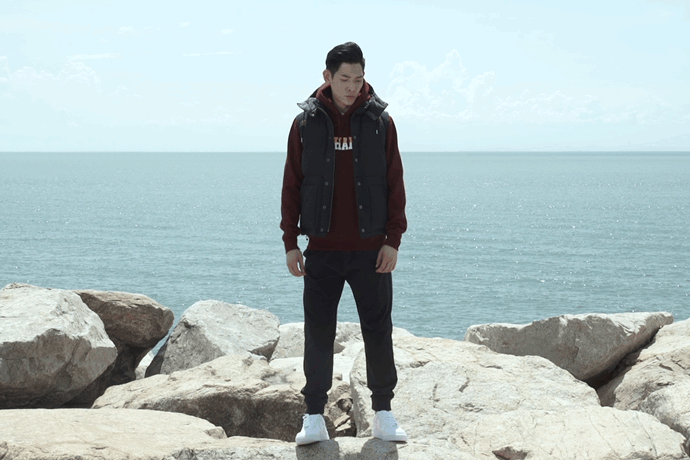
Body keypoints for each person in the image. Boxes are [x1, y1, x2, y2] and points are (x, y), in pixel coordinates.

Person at [280, 42, 408, 445]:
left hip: (372, 251)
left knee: (378, 330)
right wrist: (290, 241)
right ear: (328, 77)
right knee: (318, 333)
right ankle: (314, 417)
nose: (353, 87)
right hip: (321, 250)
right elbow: (292, 182)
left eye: (359, 78)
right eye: (345, 79)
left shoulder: (380, 122)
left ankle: (383, 413)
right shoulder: (305, 124)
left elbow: (394, 182)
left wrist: (393, 240)